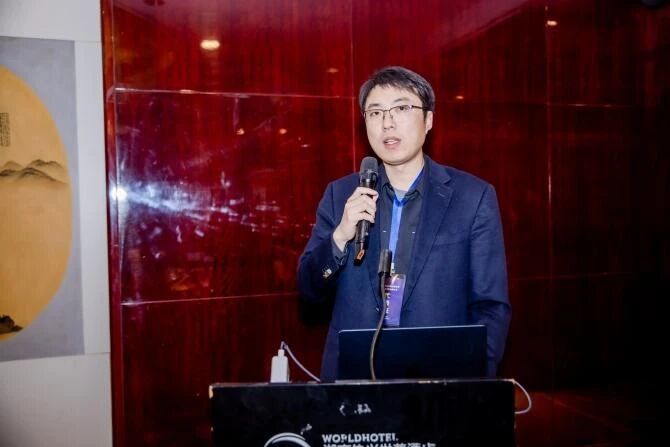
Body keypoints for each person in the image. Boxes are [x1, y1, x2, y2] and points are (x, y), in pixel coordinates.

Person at [297, 66, 510, 381]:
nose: (387, 122)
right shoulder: (340, 195)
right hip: (355, 381)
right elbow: (308, 290)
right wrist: (340, 236)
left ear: (428, 120)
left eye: (401, 108)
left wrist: (472, 387)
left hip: (440, 381)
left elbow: (491, 307)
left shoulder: (473, 198)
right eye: (375, 112)